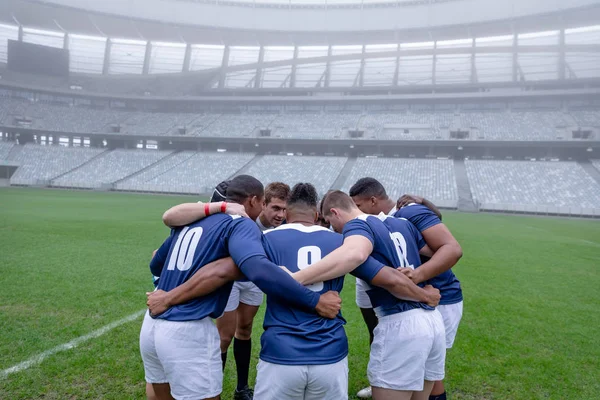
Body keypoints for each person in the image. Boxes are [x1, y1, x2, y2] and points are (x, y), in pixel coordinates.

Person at [148, 183, 440, 400]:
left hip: (280, 355)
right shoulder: (340, 242)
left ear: (286, 212)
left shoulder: (264, 241)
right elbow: (388, 278)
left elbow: (223, 269)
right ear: (316, 213)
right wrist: (423, 293)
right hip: (330, 355)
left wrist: (169, 293)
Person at [140, 175, 341, 400]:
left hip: (152, 326)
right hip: (187, 325)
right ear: (254, 201)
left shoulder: (192, 220)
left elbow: (156, 263)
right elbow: (238, 269)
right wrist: (315, 301)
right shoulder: (241, 223)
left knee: (159, 393)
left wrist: (166, 294)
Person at [287, 190, 447, 400]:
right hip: (432, 322)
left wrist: (294, 279)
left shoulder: (357, 226)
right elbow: (435, 252)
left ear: (335, 213)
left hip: (401, 323)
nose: (333, 229)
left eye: (329, 222)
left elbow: (356, 255)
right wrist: (423, 283)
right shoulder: (400, 223)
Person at [162, 181, 291, 399]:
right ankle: (213, 388)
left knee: (246, 329)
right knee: (225, 335)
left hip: (253, 278)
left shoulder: (283, 225)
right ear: (262, 203)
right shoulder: (243, 218)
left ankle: (241, 388)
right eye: (276, 208)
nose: (281, 214)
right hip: (229, 277)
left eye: (285, 209)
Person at [349, 178, 463, 400]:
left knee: (429, 372)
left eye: (359, 206)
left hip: (439, 296)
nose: (356, 212)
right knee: (415, 362)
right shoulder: (388, 219)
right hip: (412, 300)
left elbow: (452, 248)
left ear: (373, 200)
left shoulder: (408, 212)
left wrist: (417, 275)